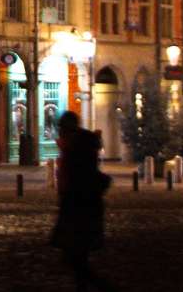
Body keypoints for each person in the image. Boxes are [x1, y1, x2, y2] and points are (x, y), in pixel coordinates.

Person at [51, 110, 111, 290]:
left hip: (78, 207)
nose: (59, 133)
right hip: (82, 206)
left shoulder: (76, 147)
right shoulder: (79, 144)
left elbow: (77, 178)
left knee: (75, 257)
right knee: (77, 257)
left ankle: (101, 286)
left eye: (61, 129)